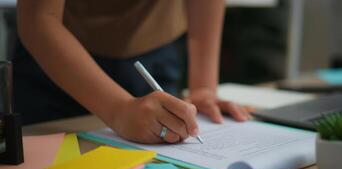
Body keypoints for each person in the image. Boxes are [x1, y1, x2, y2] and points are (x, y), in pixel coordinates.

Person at [14, 0, 251, 144]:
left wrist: (203, 88)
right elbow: (39, 17)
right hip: (57, 59)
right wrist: (118, 110)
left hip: (156, 51)